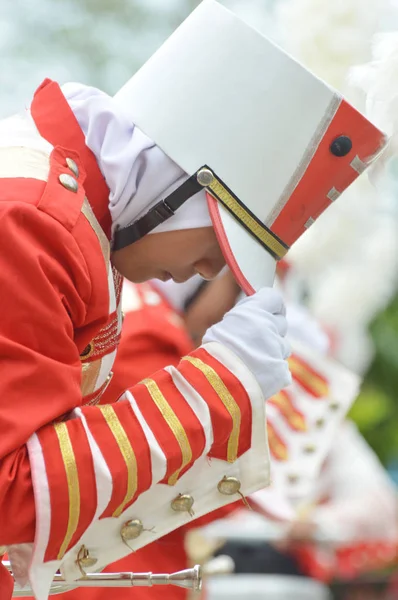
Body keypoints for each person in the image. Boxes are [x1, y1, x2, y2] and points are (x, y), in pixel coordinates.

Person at [0, 1, 385, 598]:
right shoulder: (33, 221)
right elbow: (11, 493)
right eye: (222, 246)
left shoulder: (69, 221)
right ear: (186, 189)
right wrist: (219, 385)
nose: (206, 269)